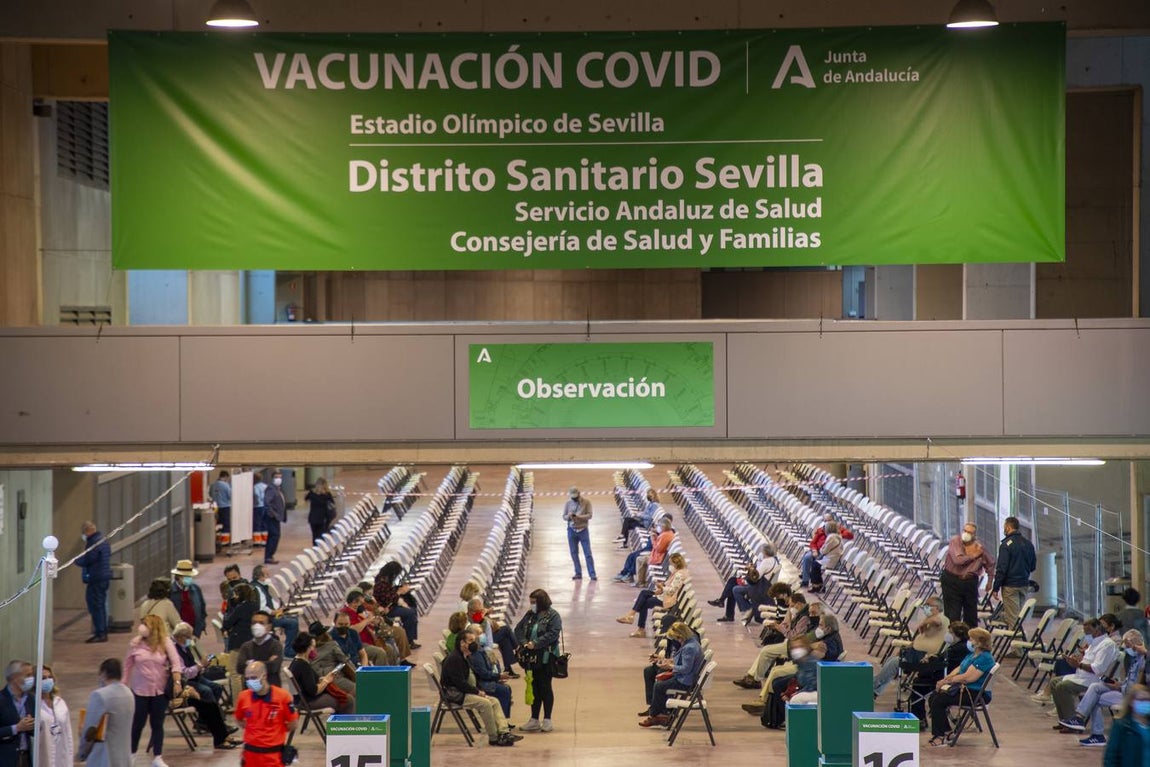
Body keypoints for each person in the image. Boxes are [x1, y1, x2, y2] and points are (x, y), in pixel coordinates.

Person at [1060, 630, 1147, 746]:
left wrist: (1143, 651)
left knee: (1094, 698)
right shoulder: (1134, 659)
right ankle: (1080, 718)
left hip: (1132, 696)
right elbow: (1130, 680)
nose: (1126, 648)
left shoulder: (1144, 659)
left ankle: (1097, 734)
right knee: (1095, 687)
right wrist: (1118, 684)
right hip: (1123, 689)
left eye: (1127, 644)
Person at [440, 627, 519, 746]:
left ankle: (504, 733)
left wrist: (479, 690)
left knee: (494, 701)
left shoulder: (466, 656)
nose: (475, 643)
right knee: (485, 703)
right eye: (471, 640)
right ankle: (493, 737)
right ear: (462, 643)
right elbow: (460, 683)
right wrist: (477, 692)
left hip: (465, 691)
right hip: (455, 694)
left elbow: (473, 678)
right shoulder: (455, 659)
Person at [124, 614, 184, 767]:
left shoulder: (165, 642)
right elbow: (127, 665)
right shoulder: (135, 644)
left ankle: (157, 756)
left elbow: (176, 663)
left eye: (146, 624)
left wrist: (177, 681)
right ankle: (131, 754)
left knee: (157, 724)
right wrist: (123, 685)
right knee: (137, 724)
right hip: (140, 690)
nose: (142, 627)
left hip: (160, 690)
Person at [170, 624, 239, 751]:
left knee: (215, 691)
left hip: (192, 680)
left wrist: (201, 666)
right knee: (207, 696)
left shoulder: (184, 647)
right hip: (185, 684)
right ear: (180, 637)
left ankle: (215, 729)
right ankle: (221, 733)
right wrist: (199, 666)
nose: (191, 640)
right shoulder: (173, 650)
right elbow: (183, 673)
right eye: (189, 637)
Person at [927, 626, 997, 746]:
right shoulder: (972, 654)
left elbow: (968, 677)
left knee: (938, 701)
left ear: (979, 642)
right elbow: (959, 668)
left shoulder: (985, 658)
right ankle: (947, 731)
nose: (969, 641)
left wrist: (948, 682)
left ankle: (940, 735)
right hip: (966, 688)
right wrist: (946, 678)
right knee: (934, 697)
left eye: (971, 639)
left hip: (977, 694)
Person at [1046, 617, 1120, 721]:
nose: (1087, 636)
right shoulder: (1094, 643)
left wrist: (1079, 665)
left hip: (1094, 680)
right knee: (1054, 682)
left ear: (1097, 630)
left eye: (1088, 632)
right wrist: (1076, 661)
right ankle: (1063, 720)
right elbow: (1086, 661)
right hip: (1082, 676)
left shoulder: (1107, 645)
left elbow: (1097, 669)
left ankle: (1072, 720)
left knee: (1063, 686)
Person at [872, 595, 949, 696]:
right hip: (915, 653)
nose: (925, 607)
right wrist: (909, 646)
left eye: (928, 605)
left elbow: (937, 621)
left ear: (937, 608)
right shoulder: (930, 619)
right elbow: (922, 638)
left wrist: (924, 623)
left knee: (894, 663)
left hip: (926, 658)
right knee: (891, 660)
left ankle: (871, 685)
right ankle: (875, 692)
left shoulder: (943, 618)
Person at [733, 592, 813, 689]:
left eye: (792, 605)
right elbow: (787, 625)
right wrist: (783, 626)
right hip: (791, 642)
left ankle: (755, 680)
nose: (790, 608)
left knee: (766, 651)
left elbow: (792, 635)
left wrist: (781, 628)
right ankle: (751, 677)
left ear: (799, 604)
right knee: (766, 651)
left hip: (794, 645)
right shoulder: (798, 613)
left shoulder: (804, 617)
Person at [514, 589, 563, 733]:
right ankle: (534, 719)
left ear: (541, 602)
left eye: (534, 602)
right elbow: (518, 629)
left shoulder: (553, 616)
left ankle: (547, 719)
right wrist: (524, 643)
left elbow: (553, 634)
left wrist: (536, 643)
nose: (532, 605)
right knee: (534, 687)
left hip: (546, 657)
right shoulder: (530, 615)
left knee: (545, 687)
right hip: (532, 658)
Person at [638, 622, 704, 728]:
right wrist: (664, 660)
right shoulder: (691, 643)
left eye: (676, 638)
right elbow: (681, 661)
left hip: (685, 681)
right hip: (686, 677)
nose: (676, 640)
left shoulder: (689, 648)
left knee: (659, 686)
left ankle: (655, 715)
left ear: (681, 635)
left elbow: (686, 669)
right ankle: (660, 714)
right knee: (659, 682)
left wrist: (671, 666)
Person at [235, 661, 297, 767]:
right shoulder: (243, 697)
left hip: (273, 756)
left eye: (253, 678)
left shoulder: (282, 696)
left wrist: (276, 730)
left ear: (264, 676)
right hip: (250, 755)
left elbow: (293, 723)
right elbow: (239, 719)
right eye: (247, 678)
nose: (250, 681)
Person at [616, 552, 690, 638]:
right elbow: (670, 585)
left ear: (676, 564)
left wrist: (662, 588)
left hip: (668, 599)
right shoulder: (680, 572)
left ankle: (635, 621)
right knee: (644, 594)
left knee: (643, 602)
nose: (670, 566)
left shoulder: (679, 575)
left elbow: (671, 591)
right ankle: (632, 618)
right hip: (665, 595)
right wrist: (662, 585)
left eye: (671, 564)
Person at [77, 658, 135, 767]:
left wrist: (82, 753)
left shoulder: (99, 695)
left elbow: (89, 730)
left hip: (104, 758)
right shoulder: (129, 694)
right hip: (124, 758)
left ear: (104, 674)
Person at [940, 522, 995, 627]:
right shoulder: (955, 541)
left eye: (969, 532)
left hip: (969, 582)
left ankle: (970, 640)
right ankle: (953, 640)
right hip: (951, 580)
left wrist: (990, 581)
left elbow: (991, 564)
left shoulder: (980, 548)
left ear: (974, 535)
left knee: (971, 616)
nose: (966, 534)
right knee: (952, 614)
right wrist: (974, 555)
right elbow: (958, 561)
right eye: (965, 531)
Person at [711, 543, 780, 623]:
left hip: (758, 588)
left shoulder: (767, 562)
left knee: (735, 588)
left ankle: (747, 608)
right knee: (732, 581)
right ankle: (723, 604)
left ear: (765, 552)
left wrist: (748, 574)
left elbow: (755, 576)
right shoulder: (773, 560)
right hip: (761, 585)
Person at [990, 516, 1037, 631]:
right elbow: (1033, 566)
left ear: (1008, 527)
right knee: (1017, 616)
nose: (1004, 529)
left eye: (1004, 527)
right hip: (1024, 585)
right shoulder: (1028, 544)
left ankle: (1018, 649)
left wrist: (995, 588)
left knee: (1014, 621)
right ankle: (1002, 617)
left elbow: (1001, 569)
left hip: (1010, 587)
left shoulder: (1006, 545)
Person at [289, 634, 355, 714]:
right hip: (307, 702)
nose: (315, 649)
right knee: (348, 700)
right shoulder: (303, 666)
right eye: (313, 646)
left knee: (342, 696)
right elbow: (314, 691)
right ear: (307, 648)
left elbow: (311, 681)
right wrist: (326, 681)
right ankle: (343, 726)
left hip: (301, 699)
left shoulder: (296, 661)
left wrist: (325, 678)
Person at [250, 565, 300, 657]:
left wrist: (278, 610)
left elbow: (270, 602)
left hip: (271, 615)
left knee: (294, 618)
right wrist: (275, 612)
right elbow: (262, 608)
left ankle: (293, 648)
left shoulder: (263, 586)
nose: (269, 576)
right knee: (292, 623)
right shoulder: (257, 589)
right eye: (267, 574)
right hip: (265, 619)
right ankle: (288, 651)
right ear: (260, 576)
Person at [466, 624, 514, 719]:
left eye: (482, 632)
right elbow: (483, 674)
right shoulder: (476, 654)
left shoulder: (480, 650)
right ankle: (501, 721)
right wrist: (498, 676)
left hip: (484, 680)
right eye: (479, 633)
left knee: (506, 688)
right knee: (504, 690)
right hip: (480, 684)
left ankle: (503, 720)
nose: (483, 635)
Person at [77, 522, 113, 644]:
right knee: (101, 605)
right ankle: (102, 630)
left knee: (96, 605)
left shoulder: (93, 542)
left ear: (87, 531)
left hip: (96, 578)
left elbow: (89, 559)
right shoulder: (103, 541)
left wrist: (76, 561)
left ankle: (100, 632)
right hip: (104, 577)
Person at [338, 592, 395, 666]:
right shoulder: (345, 613)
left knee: (389, 648)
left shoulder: (356, 613)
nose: (363, 605)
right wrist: (367, 620)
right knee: (380, 652)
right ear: (354, 602)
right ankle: (382, 676)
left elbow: (368, 625)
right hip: (357, 645)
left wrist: (375, 621)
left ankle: (393, 672)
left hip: (368, 641)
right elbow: (353, 630)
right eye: (361, 603)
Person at [372, 561, 420, 648]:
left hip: (391, 606)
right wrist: (399, 592)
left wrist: (399, 589)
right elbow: (388, 600)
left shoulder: (385, 579)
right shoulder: (380, 584)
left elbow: (390, 593)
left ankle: (410, 639)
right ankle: (409, 640)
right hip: (387, 609)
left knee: (411, 609)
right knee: (410, 613)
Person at [1102, 684, 1150, 766]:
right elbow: (1111, 757)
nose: (1145, 703)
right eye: (1141, 700)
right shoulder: (1122, 726)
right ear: (1131, 702)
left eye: (1147, 700)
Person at [234, 612, 284, 689]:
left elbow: (273, 667)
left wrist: (249, 663)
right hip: (249, 690)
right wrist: (265, 662)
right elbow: (240, 668)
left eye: (261, 623)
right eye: (254, 623)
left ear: (269, 626)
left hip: (271, 689)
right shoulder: (246, 646)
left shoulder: (276, 645)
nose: (257, 626)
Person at [1, 660, 35, 767]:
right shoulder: (2, 700)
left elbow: (35, 730)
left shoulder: (30, 698)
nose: (31, 679)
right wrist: (17, 728)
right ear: (15, 678)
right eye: (27, 675)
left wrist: (33, 725)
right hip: (5, 759)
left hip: (25, 758)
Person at [563, 487, 596, 581]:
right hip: (571, 530)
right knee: (574, 553)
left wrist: (579, 517)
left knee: (587, 553)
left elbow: (590, 515)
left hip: (583, 530)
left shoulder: (586, 502)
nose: (574, 499)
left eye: (575, 497)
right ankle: (578, 572)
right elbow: (564, 516)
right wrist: (568, 517)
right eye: (572, 497)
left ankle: (592, 574)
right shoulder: (568, 503)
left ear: (579, 494)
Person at [168, 560, 207, 639]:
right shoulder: (170, 591)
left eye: (189, 576)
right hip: (176, 633)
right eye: (185, 576)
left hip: (195, 631)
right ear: (178, 576)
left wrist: (200, 626)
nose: (188, 578)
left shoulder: (196, 589)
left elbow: (202, 607)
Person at [634, 517, 675, 587]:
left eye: (659, 526)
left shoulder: (665, 535)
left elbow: (658, 549)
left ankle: (640, 582)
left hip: (659, 558)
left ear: (663, 526)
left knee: (640, 559)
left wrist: (653, 539)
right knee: (640, 558)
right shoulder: (669, 533)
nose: (658, 528)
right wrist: (656, 538)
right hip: (660, 555)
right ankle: (641, 581)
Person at [808, 521, 845, 592]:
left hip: (830, 560)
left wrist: (821, 550)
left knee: (814, 565)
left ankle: (817, 586)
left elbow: (824, 550)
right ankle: (819, 585)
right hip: (833, 559)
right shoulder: (837, 536)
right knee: (816, 564)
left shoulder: (831, 537)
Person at [799, 516, 833, 589]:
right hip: (816, 550)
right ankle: (805, 580)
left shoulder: (836, 531)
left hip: (827, 553)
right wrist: (814, 550)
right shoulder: (820, 530)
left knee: (816, 562)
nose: (826, 522)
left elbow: (849, 535)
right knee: (807, 557)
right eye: (825, 520)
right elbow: (813, 543)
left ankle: (817, 585)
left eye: (828, 520)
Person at [222, 584, 258, 651]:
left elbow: (227, 624)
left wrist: (227, 611)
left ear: (240, 595)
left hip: (239, 641)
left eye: (235, 594)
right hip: (252, 637)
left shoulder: (240, 608)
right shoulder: (255, 605)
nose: (234, 597)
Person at [304, 477, 337, 545]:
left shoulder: (312, 493)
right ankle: (320, 549)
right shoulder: (327, 495)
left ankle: (315, 548)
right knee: (321, 536)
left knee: (314, 535)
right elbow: (332, 504)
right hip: (323, 519)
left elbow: (306, 499)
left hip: (313, 518)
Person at [263, 471, 286, 565]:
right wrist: (273, 514)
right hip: (272, 517)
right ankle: (269, 556)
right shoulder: (271, 489)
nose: (278, 479)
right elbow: (267, 502)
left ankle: (270, 556)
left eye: (280, 477)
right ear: (272, 478)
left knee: (274, 536)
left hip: (277, 517)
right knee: (274, 536)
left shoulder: (278, 489)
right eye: (276, 477)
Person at [210, 470, 233, 536]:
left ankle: (218, 538)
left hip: (215, 507)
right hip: (225, 507)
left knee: (218, 523)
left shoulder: (213, 485)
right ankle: (224, 540)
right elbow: (230, 495)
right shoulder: (226, 485)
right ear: (225, 477)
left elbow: (211, 495)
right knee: (225, 524)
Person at [252, 472, 269, 547]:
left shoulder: (255, 487)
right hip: (265, 506)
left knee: (257, 523)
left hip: (257, 507)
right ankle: (265, 540)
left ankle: (257, 541)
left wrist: (255, 503)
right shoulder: (266, 486)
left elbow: (256, 496)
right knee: (264, 523)